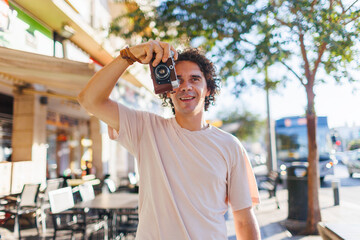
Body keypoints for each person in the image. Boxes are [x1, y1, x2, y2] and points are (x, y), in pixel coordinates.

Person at [78, 40, 260, 239]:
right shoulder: (145, 129)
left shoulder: (230, 146)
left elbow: (243, 219)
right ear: (168, 89)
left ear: (208, 89)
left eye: (195, 79)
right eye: (178, 80)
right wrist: (128, 56)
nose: (186, 86)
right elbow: (89, 100)